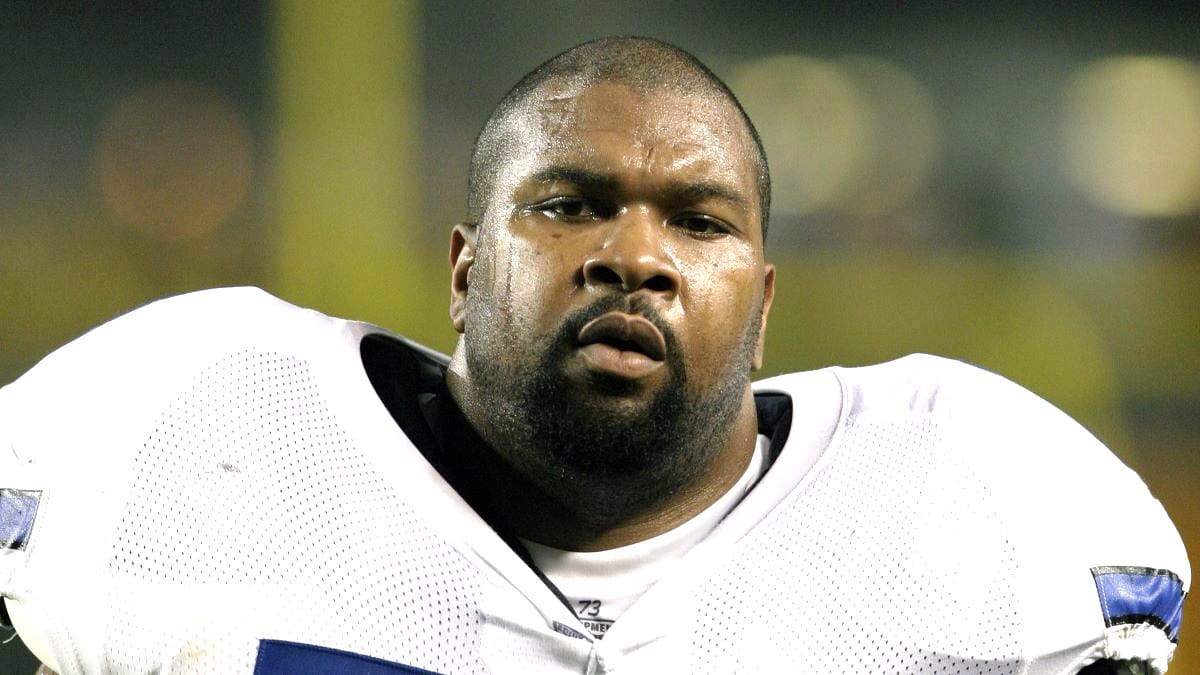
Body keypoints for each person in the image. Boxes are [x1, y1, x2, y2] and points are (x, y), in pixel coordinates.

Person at [0, 37, 1188, 674]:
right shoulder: (177, 434)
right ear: (465, 270)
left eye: (700, 221)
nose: (637, 256)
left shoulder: (984, 508)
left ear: (763, 302)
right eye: (569, 204)